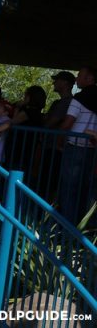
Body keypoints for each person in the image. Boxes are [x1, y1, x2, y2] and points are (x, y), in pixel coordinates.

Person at [57, 66, 97, 224]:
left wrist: (59, 141)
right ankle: (83, 226)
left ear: (90, 79)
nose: (76, 78)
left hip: (75, 147)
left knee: (69, 188)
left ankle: (66, 226)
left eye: (79, 75)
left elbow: (68, 123)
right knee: (86, 189)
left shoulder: (79, 98)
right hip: (93, 149)